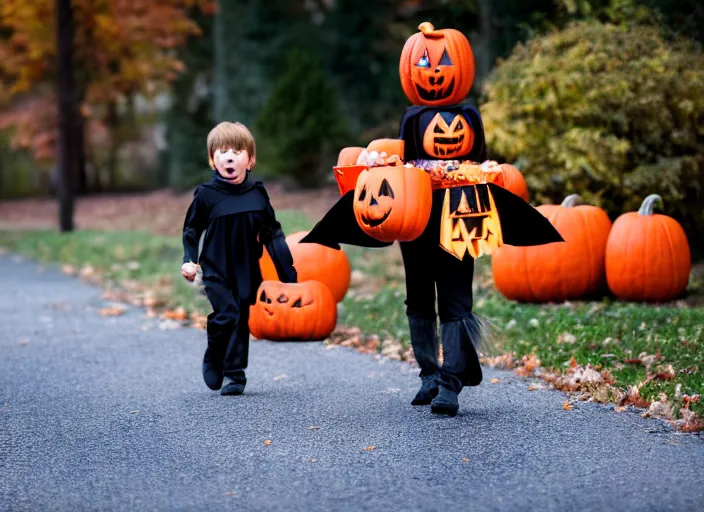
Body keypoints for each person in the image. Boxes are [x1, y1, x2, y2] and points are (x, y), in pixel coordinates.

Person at [181, 121, 297, 395]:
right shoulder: (207, 195)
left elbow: (272, 233)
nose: (229, 156)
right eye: (221, 151)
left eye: (236, 150)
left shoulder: (257, 194)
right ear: (213, 160)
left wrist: (287, 273)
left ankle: (235, 374)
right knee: (228, 312)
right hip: (216, 267)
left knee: (240, 318)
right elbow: (192, 228)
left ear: (251, 160)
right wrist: (189, 258)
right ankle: (214, 353)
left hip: (246, 267)